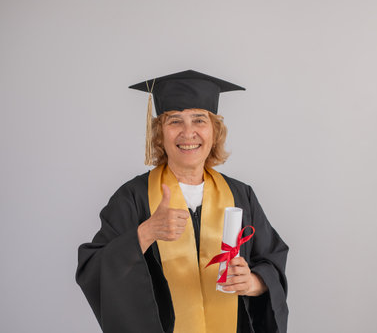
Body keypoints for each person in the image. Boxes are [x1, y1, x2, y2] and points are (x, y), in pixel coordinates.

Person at [75, 70, 289, 333]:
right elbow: (93, 267)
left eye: (200, 120)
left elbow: (272, 260)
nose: (188, 133)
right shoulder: (133, 197)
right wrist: (146, 232)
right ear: (159, 134)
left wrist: (253, 282)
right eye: (175, 121)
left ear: (214, 131)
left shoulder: (240, 195)